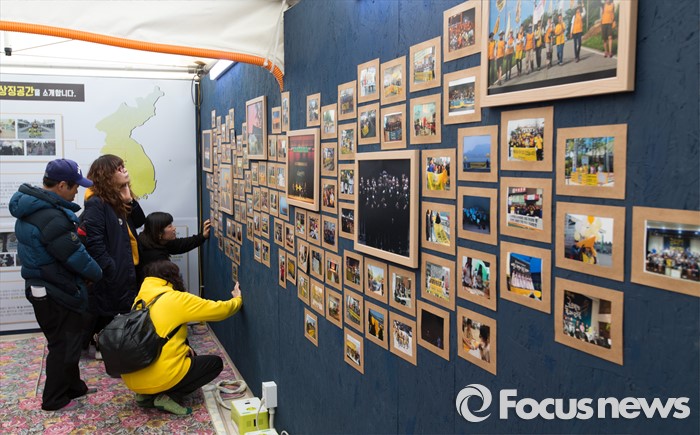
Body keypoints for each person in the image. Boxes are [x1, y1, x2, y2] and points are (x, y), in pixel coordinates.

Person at [9, 159, 103, 411]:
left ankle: (74, 387)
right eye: (75, 186)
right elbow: (74, 255)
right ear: (62, 185)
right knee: (64, 344)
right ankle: (54, 399)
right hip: (56, 289)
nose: (77, 191)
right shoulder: (51, 216)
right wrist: (98, 273)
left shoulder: (33, 208)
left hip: (44, 285)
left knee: (66, 340)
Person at [121, 260, 243, 415]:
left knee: (187, 350)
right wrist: (237, 299)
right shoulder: (176, 298)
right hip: (158, 375)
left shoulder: (140, 299)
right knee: (214, 364)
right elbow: (220, 310)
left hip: (132, 378)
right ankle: (169, 396)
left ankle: (145, 395)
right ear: (173, 278)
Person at [80, 154, 146, 358]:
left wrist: (128, 199)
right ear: (106, 175)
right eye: (119, 168)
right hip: (114, 268)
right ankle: (103, 346)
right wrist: (110, 267)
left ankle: (116, 346)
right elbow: (95, 242)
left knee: (123, 307)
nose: (124, 170)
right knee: (108, 309)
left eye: (123, 166)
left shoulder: (117, 198)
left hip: (127, 264)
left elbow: (139, 221)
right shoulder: (96, 203)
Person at [137, 212, 211, 282]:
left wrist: (202, 236)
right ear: (159, 232)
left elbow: (180, 245)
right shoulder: (155, 257)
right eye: (170, 226)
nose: (174, 228)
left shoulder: (154, 241)